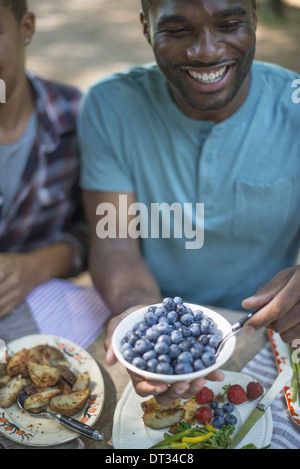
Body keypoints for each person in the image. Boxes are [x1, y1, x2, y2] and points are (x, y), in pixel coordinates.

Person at [79, 0, 300, 405]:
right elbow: (113, 242)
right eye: (178, 30)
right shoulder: (109, 105)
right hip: (155, 309)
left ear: (254, 18)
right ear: (146, 27)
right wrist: (141, 317)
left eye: (229, 24)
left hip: (270, 331)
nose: (206, 51)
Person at [0, 0, 87, 319]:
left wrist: (36, 267)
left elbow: (103, 231)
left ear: (26, 29)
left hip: (46, 316)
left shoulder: (75, 117)